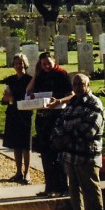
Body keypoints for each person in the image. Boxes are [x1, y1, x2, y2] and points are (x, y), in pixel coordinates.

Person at [52, 72, 105, 210]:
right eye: (75, 85)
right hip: (70, 155)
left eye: (81, 84)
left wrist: (66, 138)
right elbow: (60, 121)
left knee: (90, 189)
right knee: (74, 190)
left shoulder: (94, 104)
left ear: (88, 86)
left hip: (86, 155)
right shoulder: (72, 103)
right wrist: (57, 136)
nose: (78, 87)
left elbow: (89, 129)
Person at [29, 51, 73, 196]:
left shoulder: (61, 74)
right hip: (43, 118)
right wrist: (36, 73)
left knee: (57, 154)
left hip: (57, 117)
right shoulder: (40, 75)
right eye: (43, 64)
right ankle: (49, 187)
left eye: (49, 63)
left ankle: (61, 188)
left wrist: (59, 101)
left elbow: (71, 94)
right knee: (46, 154)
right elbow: (29, 91)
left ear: (54, 62)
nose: (47, 66)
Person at [1, 53, 33, 184]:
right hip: (13, 113)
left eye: (21, 63)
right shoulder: (10, 80)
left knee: (25, 144)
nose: (18, 66)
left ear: (25, 64)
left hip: (25, 114)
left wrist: (13, 99)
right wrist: (6, 99)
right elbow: (4, 98)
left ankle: (27, 172)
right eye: (16, 64)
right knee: (16, 144)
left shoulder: (30, 79)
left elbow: (30, 97)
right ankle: (18, 171)